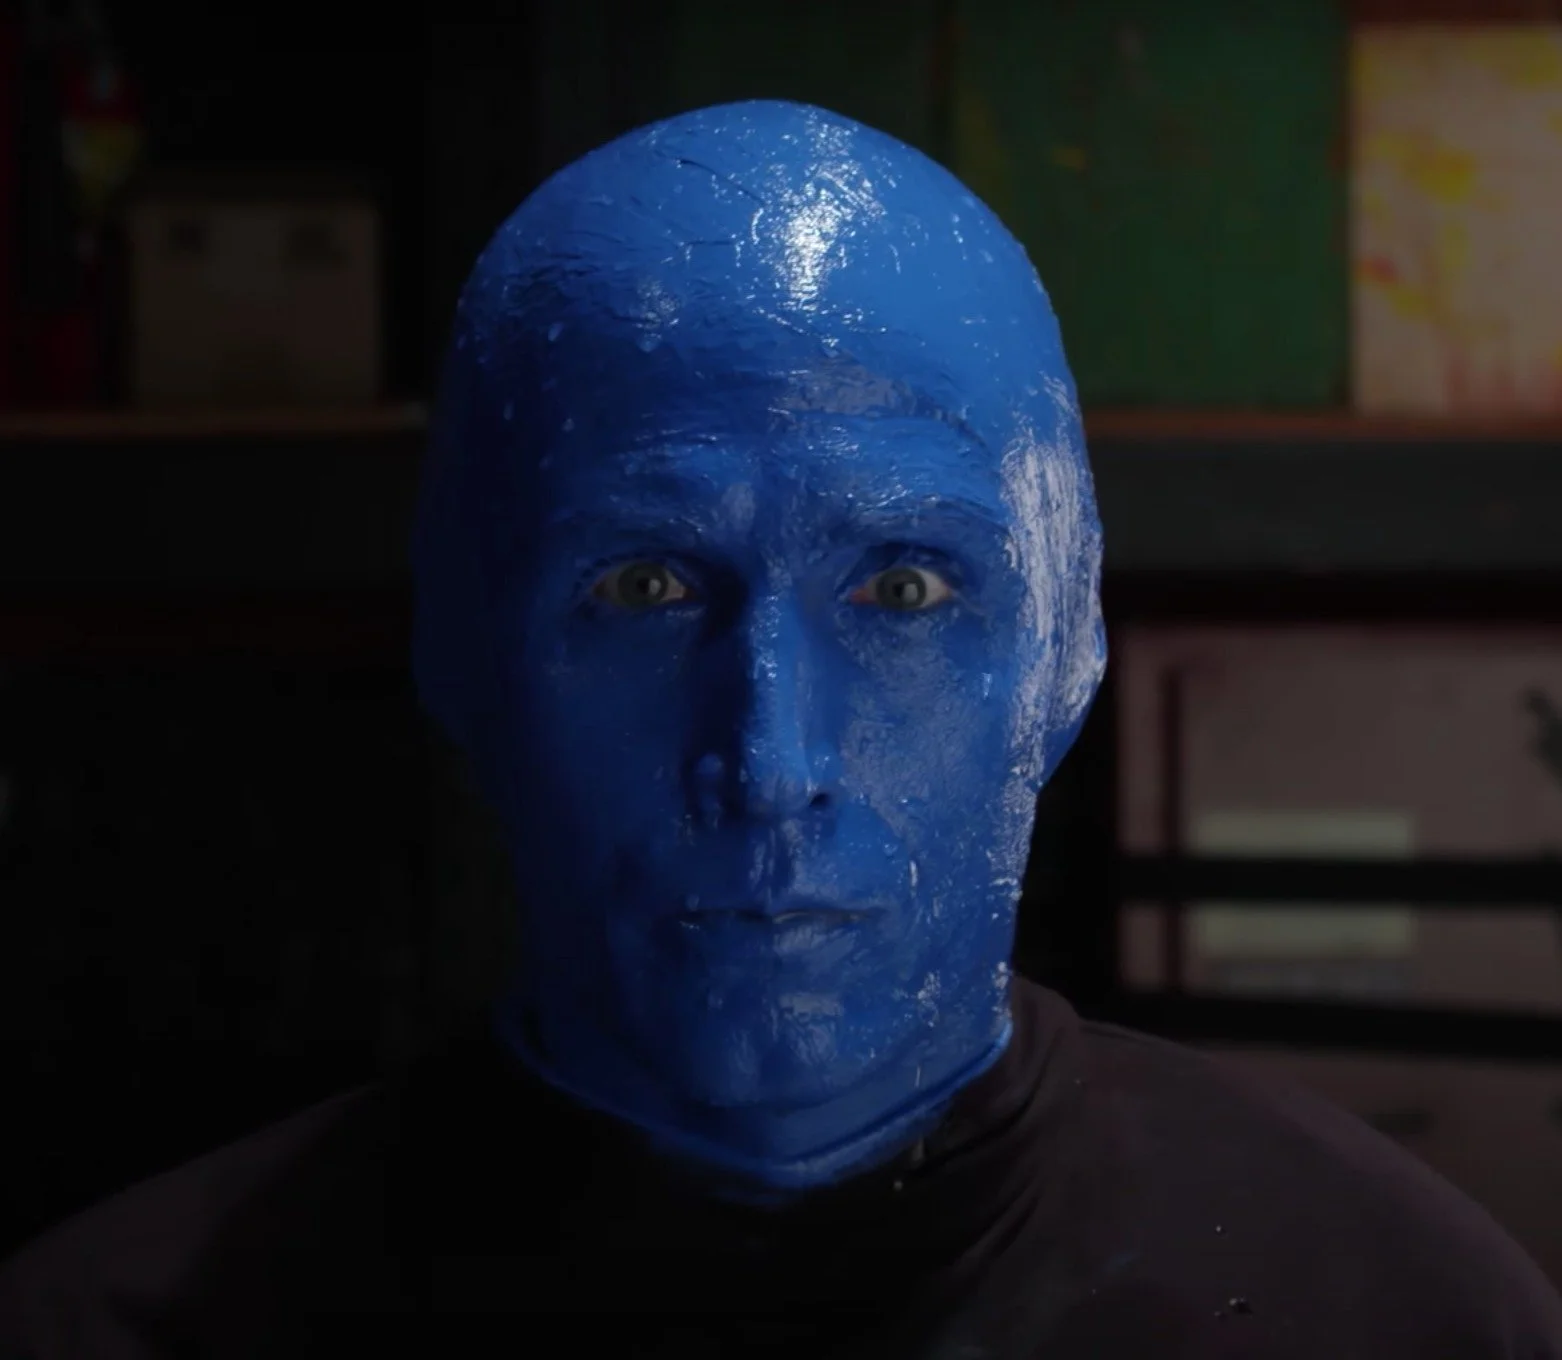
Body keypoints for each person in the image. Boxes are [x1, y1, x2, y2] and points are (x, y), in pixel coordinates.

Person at [1, 99, 1560, 1360]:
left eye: (902, 588)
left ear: (1069, 643)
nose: (767, 762)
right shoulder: (105, 1331)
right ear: (458, 644)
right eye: (644, 586)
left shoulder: (1410, 1320)